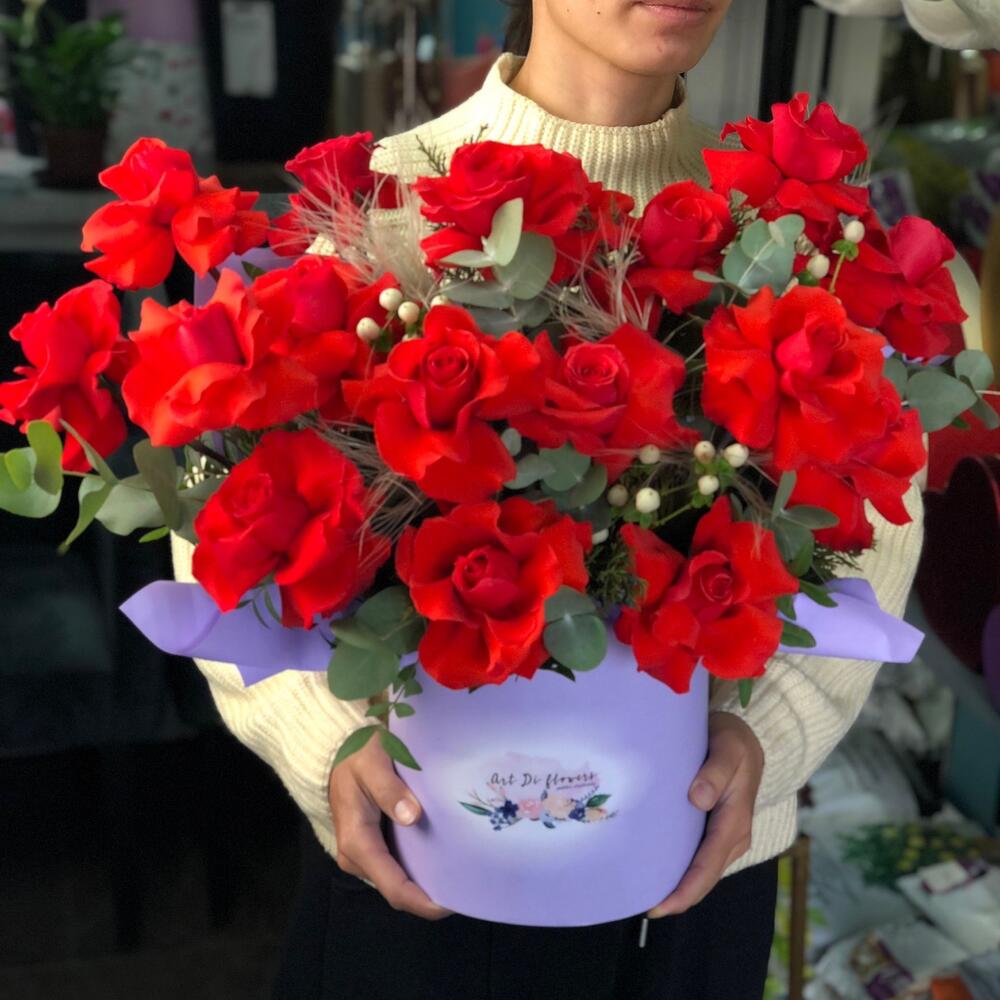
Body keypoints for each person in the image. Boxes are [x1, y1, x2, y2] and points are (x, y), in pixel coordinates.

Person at [171, 1, 926, 996]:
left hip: (694, 874)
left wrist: (767, 736)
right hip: (424, 861)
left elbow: (875, 520)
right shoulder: (375, 209)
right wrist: (323, 742)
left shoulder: (785, 237)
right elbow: (217, 515)